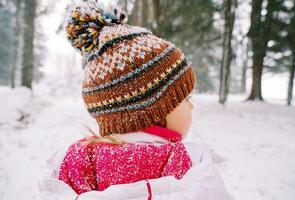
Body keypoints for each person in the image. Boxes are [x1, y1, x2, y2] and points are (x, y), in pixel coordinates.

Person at [39, 0, 234, 199]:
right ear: (154, 109)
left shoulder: (74, 163)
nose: (191, 106)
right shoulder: (189, 163)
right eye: (184, 97)